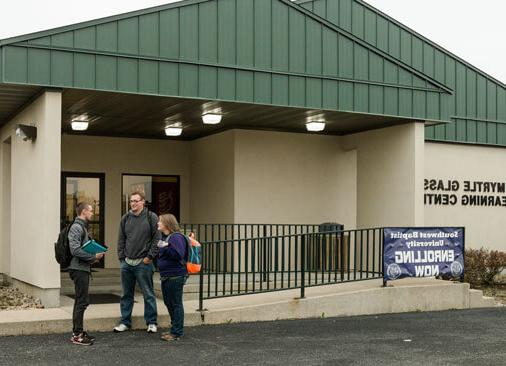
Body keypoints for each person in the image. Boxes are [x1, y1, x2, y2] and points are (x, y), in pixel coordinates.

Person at [114, 191, 160, 333]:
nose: (133, 203)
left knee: (148, 294)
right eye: (131, 201)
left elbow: (156, 239)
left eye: (136, 201)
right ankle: (125, 322)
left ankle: (151, 322)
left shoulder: (151, 217)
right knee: (126, 295)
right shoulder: (125, 218)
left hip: (143, 263)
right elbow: (121, 239)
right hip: (127, 263)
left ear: (143, 202)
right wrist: (122, 258)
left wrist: (149, 257)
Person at [68, 202, 105, 346]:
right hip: (78, 269)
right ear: (83, 212)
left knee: (81, 301)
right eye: (90, 211)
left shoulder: (82, 227)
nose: (92, 213)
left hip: (82, 268)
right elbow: (75, 250)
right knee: (81, 301)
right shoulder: (76, 227)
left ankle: (78, 331)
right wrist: (94, 257)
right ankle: (77, 335)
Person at [157, 214, 188, 341]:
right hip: (167, 275)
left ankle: (176, 332)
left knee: (175, 303)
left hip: (175, 275)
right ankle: (174, 329)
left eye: (160, 221)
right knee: (169, 302)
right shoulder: (167, 237)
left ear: (167, 224)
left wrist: (165, 247)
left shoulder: (176, 237)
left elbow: (178, 254)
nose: (158, 223)